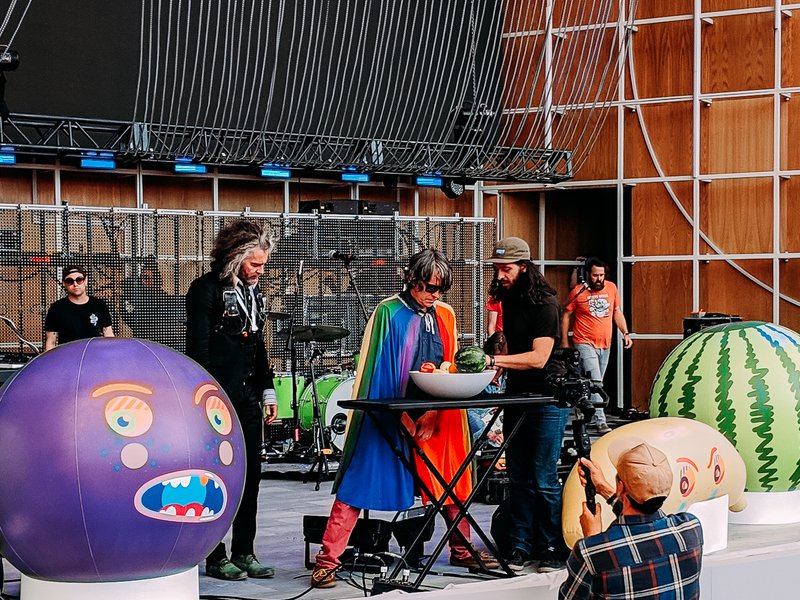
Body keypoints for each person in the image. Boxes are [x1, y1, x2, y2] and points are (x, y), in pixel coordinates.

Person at [311, 248, 498, 588]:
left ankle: (462, 549)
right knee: (358, 482)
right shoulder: (388, 313)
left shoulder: (445, 314)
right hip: (390, 413)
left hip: (437, 413)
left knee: (453, 480)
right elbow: (379, 373)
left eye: (441, 289)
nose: (435, 295)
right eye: (430, 287)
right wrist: (403, 420)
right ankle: (328, 561)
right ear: (413, 280)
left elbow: (449, 368)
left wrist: (432, 414)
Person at [186, 220, 279, 581]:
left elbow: (258, 345)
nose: (260, 270)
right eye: (255, 263)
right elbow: (199, 350)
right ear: (235, 257)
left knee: (251, 476)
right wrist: (209, 396)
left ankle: (244, 550)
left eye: (263, 264)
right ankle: (214, 554)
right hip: (215, 398)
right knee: (216, 476)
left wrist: (267, 390)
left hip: (246, 395)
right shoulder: (205, 290)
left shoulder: (253, 294)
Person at [484, 237, 567, 572]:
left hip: (548, 396)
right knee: (518, 474)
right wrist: (499, 360)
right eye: (497, 269)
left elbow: (538, 358)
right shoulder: (508, 298)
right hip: (517, 394)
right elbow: (513, 344)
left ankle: (551, 547)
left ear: (523, 267)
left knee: (543, 475)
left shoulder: (546, 303)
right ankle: (519, 545)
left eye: (506, 269)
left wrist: (494, 361)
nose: (500, 275)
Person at [559, 441, 703, 599]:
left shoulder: (590, 551)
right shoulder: (691, 528)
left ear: (620, 487)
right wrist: (604, 488)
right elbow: (641, 524)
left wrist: (592, 538)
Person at [561, 257, 632, 434]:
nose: (599, 278)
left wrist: (625, 333)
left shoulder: (612, 288)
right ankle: (601, 421)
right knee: (596, 382)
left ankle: (582, 411)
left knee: (590, 383)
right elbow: (566, 315)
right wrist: (565, 341)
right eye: (595, 275)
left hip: (605, 344)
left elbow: (616, 312)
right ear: (588, 274)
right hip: (584, 341)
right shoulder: (579, 291)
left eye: (601, 275)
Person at [44, 265, 114, 351]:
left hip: (94, 354)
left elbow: (108, 335)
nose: (75, 284)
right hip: (67, 356)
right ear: (64, 284)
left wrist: (111, 356)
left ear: (85, 281)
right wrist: (51, 359)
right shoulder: (56, 308)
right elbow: (51, 342)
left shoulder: (99, 305)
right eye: (69, 281)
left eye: (79, 280)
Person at [122, 260, 184, 346]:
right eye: (143, 278)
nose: (144, 282)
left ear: (155, 279)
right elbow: (127, 314)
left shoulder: (161, 297)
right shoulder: (137, 296)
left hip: (161, 341)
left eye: (147, 278)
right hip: (144, 340)